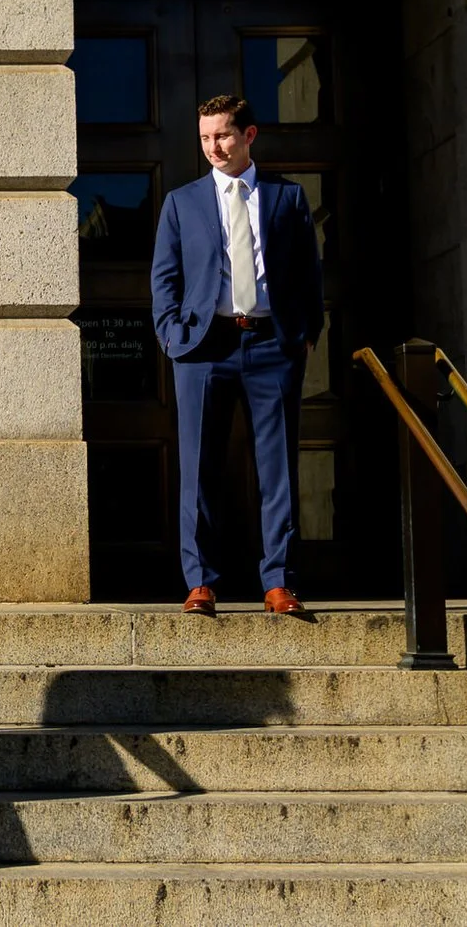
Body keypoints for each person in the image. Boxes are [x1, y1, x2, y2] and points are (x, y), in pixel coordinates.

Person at [149, 94, 324, 617]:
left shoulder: (286, 198)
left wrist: (306, 333)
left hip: (272, 344)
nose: (213, 147)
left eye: (222, 135)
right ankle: (200, 582)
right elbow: (165, 279)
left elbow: (309, 274)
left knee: (278, 469)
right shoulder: (182, 203)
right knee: (199, 467)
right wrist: (171, 334)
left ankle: (279, 582)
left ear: (249, 135)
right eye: (205, 137)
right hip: (204, 347)